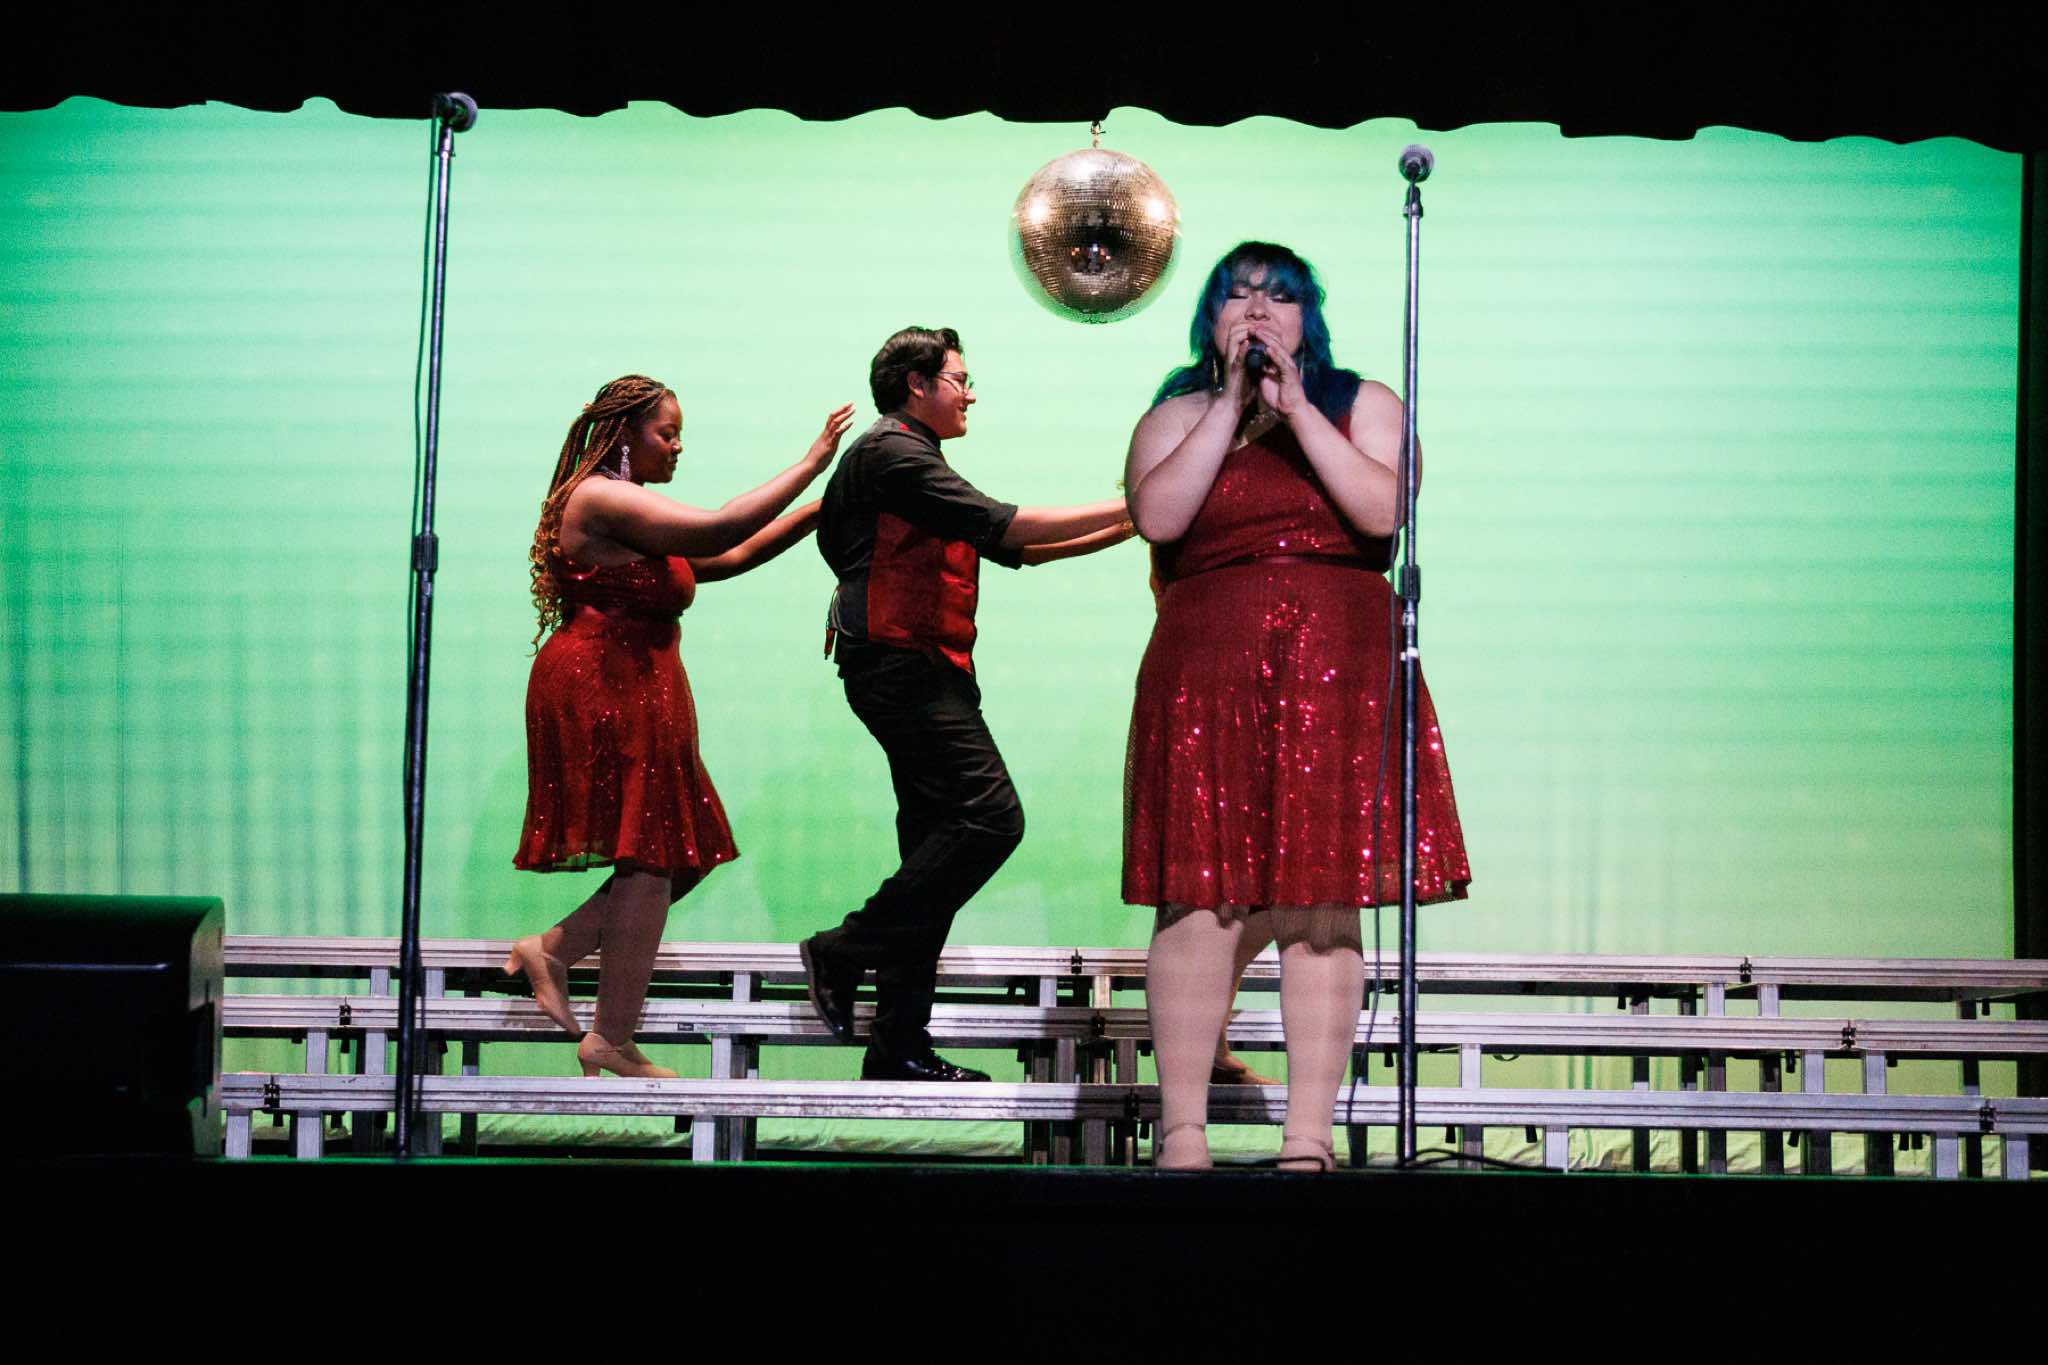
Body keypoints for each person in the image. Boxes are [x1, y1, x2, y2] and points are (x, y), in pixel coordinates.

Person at [1123, 243, 1472, 1170]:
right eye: (1236, 295)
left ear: (1308, 319)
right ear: (1209, 320)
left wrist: (1298, 410)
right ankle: (1183, 1133)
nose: (1256, 310)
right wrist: (1232, 405)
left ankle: (1308, 1138)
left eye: (1278, 297)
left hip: (1338, 671)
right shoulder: (1176, 416)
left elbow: (1381, 513)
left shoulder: (1363, 404)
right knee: (1200, 898)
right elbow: (1159, 518)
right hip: (1208, 671)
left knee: (1322, 903)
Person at [799, 326, 1134, 1082]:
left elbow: (1022, 550)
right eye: (960, 379)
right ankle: (842, 948)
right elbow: (1009, 522)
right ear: (917, 384)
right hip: (900, 667)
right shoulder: (893, 454)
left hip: (923, 667)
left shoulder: (916, 460)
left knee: (932, 851)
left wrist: (1132, 523)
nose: (970, 394)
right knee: (991, 818)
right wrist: (1135, 500)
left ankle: (897, 1044)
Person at [505, 373, 854, 1078]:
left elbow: (729, 556)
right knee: (653, 855)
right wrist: (812, 463)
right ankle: (610, 1034)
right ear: (624, 434)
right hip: (605, 683)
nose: (678, 446)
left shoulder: (633, 510)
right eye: (667, 433)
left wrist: (820, 511)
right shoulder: (602, 497)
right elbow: (719, 527)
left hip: (640, 681)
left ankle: (556, 952)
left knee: (676, 855)